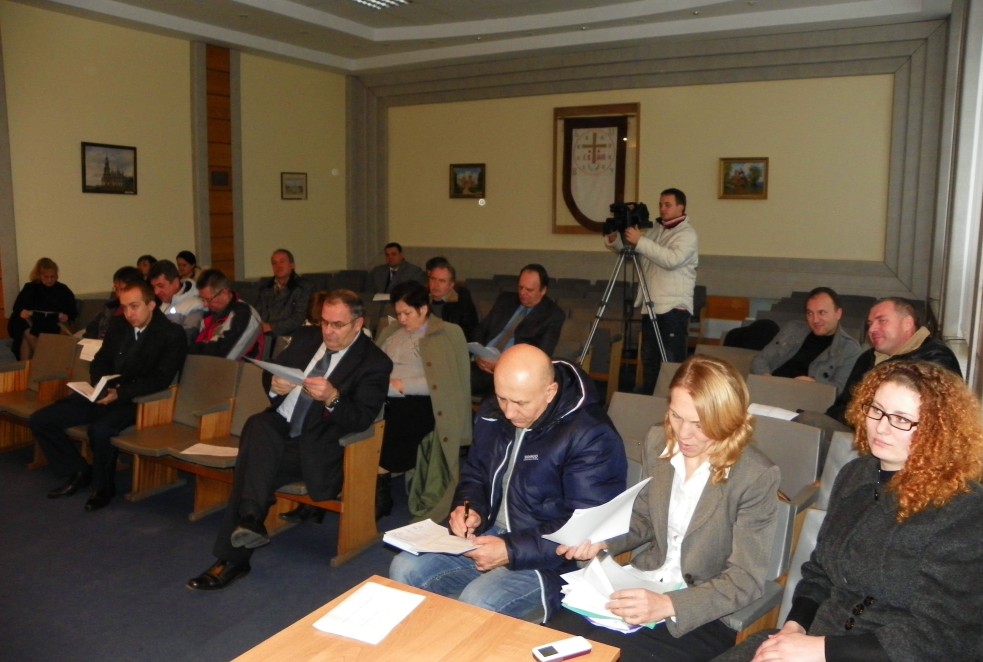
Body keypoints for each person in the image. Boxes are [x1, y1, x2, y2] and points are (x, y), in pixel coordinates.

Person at [715, 360, 983, 661]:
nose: (881, 427)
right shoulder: (855, 474)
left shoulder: (964, 509)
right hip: (817, 638)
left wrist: (819, 650)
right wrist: (794, 627)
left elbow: (942, 635)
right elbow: (819, 572)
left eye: (901, 419)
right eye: (876, 410)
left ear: (937, 431)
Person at [549, 355, 780, 662]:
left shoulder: (755, 475)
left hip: (699, 609)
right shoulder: (659, 440)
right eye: (676, 415)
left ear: (728, 420)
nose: (683, 433)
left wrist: (668, 605)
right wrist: (603, 540)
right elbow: (645, 517)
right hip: (643, 580)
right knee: (551, 640)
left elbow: (745, 579)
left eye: (699, 424)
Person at [390, 344, 627, 622]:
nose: (509, 413)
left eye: (520, 403)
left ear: (550, 392)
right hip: (490, 533)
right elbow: (476, 473)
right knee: (404, 568)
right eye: (502, 398)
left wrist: (510, 550)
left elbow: (583, 525)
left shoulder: (590, 434)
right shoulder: (494, 411)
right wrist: (470, 509)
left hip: (551, 560)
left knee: (478, 601)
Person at [186, 290, 392, 590]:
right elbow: (271, 372)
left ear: (358, 323)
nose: (328, 331)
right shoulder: (307, 338)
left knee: (251, 465)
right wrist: (275, 384)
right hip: (278, 428)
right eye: (324, 322)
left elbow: (361, 419)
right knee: (258, 424)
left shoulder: (374, 362)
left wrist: (333, 398)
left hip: (316, 446)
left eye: (337, 325)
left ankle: (238, 547)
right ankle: (249, 522)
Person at [29, 280, 187, 511]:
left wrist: (119, 393)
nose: (129, 313)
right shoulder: (119, 325)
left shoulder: (171, 334)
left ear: (151, 305)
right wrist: (101, 385)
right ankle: (78, 470)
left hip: (138, 400)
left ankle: (103, 488)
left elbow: (160, 379)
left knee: (100, 430)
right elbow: (100, 360)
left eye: (134, 306)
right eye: (125, 307)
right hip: (106, 391)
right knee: (41, 419)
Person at [795, 297, 961, 463]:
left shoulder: (935, 359)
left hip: (897, 445)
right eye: (870, 323)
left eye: (882, 321)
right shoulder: (868, 358)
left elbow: (933, 425)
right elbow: (844, 404)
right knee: (802, 424)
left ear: (907, 323)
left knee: (808, 423)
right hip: (859, 430)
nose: (872, 329)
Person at [373, 280, 471, 521]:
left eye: (407, 313)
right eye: (398, 314)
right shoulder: (391, 332)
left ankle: (380, 487)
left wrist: (401, 386)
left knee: (394, 421)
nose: (401, 319)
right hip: (385, 397)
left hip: (423, 403)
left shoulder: (447, 333)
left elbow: (446, 383)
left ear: (424, 309)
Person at [605, 188, 698, 394]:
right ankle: (650, 399)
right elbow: (636, 252)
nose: (662, 209)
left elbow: (671, 260)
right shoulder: (656, 230)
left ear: (681, 207)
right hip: (651, 304)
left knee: (671, 362)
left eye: (668, 205)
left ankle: (673, 400)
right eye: (660, 204)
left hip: (673, 308)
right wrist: (615, 239)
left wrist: (640, 240)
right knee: (650, 360)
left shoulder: (687, 234)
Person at [470, 264, 565, 397]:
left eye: (529, 290)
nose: (522, 293)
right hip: (482, 361)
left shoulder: (553, 315)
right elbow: (481, 330)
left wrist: (502, 364)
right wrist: (478, 355)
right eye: (520, 287)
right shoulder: (505, 300)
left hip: (513, 372)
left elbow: (542, 355)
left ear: (543, 290)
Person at [750, 287, 863, 396]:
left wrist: (814, 384)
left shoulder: (850, 349)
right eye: (810, 313)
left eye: (822, 313)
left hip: (805, 398)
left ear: (838, 313)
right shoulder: (793, 329)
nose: (815, 320)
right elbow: (760, 359)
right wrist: (767, 379)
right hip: (770, 390)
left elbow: (840, 390)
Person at [8, 257, 77, 360]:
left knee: (27, 336)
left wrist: (67, 316)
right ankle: (45, 360)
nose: (50, 280)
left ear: (57, 275)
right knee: (26, 331)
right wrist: (23, 312)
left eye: (52, 277)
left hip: (53, 324)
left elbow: (73, 310)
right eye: (46, 277)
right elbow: (17, 307)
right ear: (40, 275)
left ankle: (35, 363)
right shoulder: (30, 288)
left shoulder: (63, 289)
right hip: (32, 323)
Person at [189, 268, 263, 360]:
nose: (205, 304)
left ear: (224, 293)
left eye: (208, 299)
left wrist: (200, 347)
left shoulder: (244, 315)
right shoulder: (210, 315)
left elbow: (223, 355)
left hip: (237, 368)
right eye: (202, 299)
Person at [254, 248, 314, 339]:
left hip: (290, 337)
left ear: (292, 265)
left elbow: (299, 318)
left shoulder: (304, 287)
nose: (278, 266)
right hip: (265, 336)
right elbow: (256, 314)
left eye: (282, 262)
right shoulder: (265, 288)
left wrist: (271, 327)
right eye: (274, 263)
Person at [147, 259, 205, 344]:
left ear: (176, 282)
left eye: (161, 286)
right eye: (154, 287)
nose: (156, 292)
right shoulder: (160, 303)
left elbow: (187, 338)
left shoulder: (195, 304)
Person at [82, 266, 145, 340]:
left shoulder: (140, 310)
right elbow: (93, 325)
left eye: (123, 289)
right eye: (116, 289)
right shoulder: (110, 306)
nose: (119, 294)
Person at [426, 257, 479, 341]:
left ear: (451, 285)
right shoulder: (420, 300)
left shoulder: (463, 304)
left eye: (442, 281)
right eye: (433, 279)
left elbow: (469, 334)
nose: (436, 285)